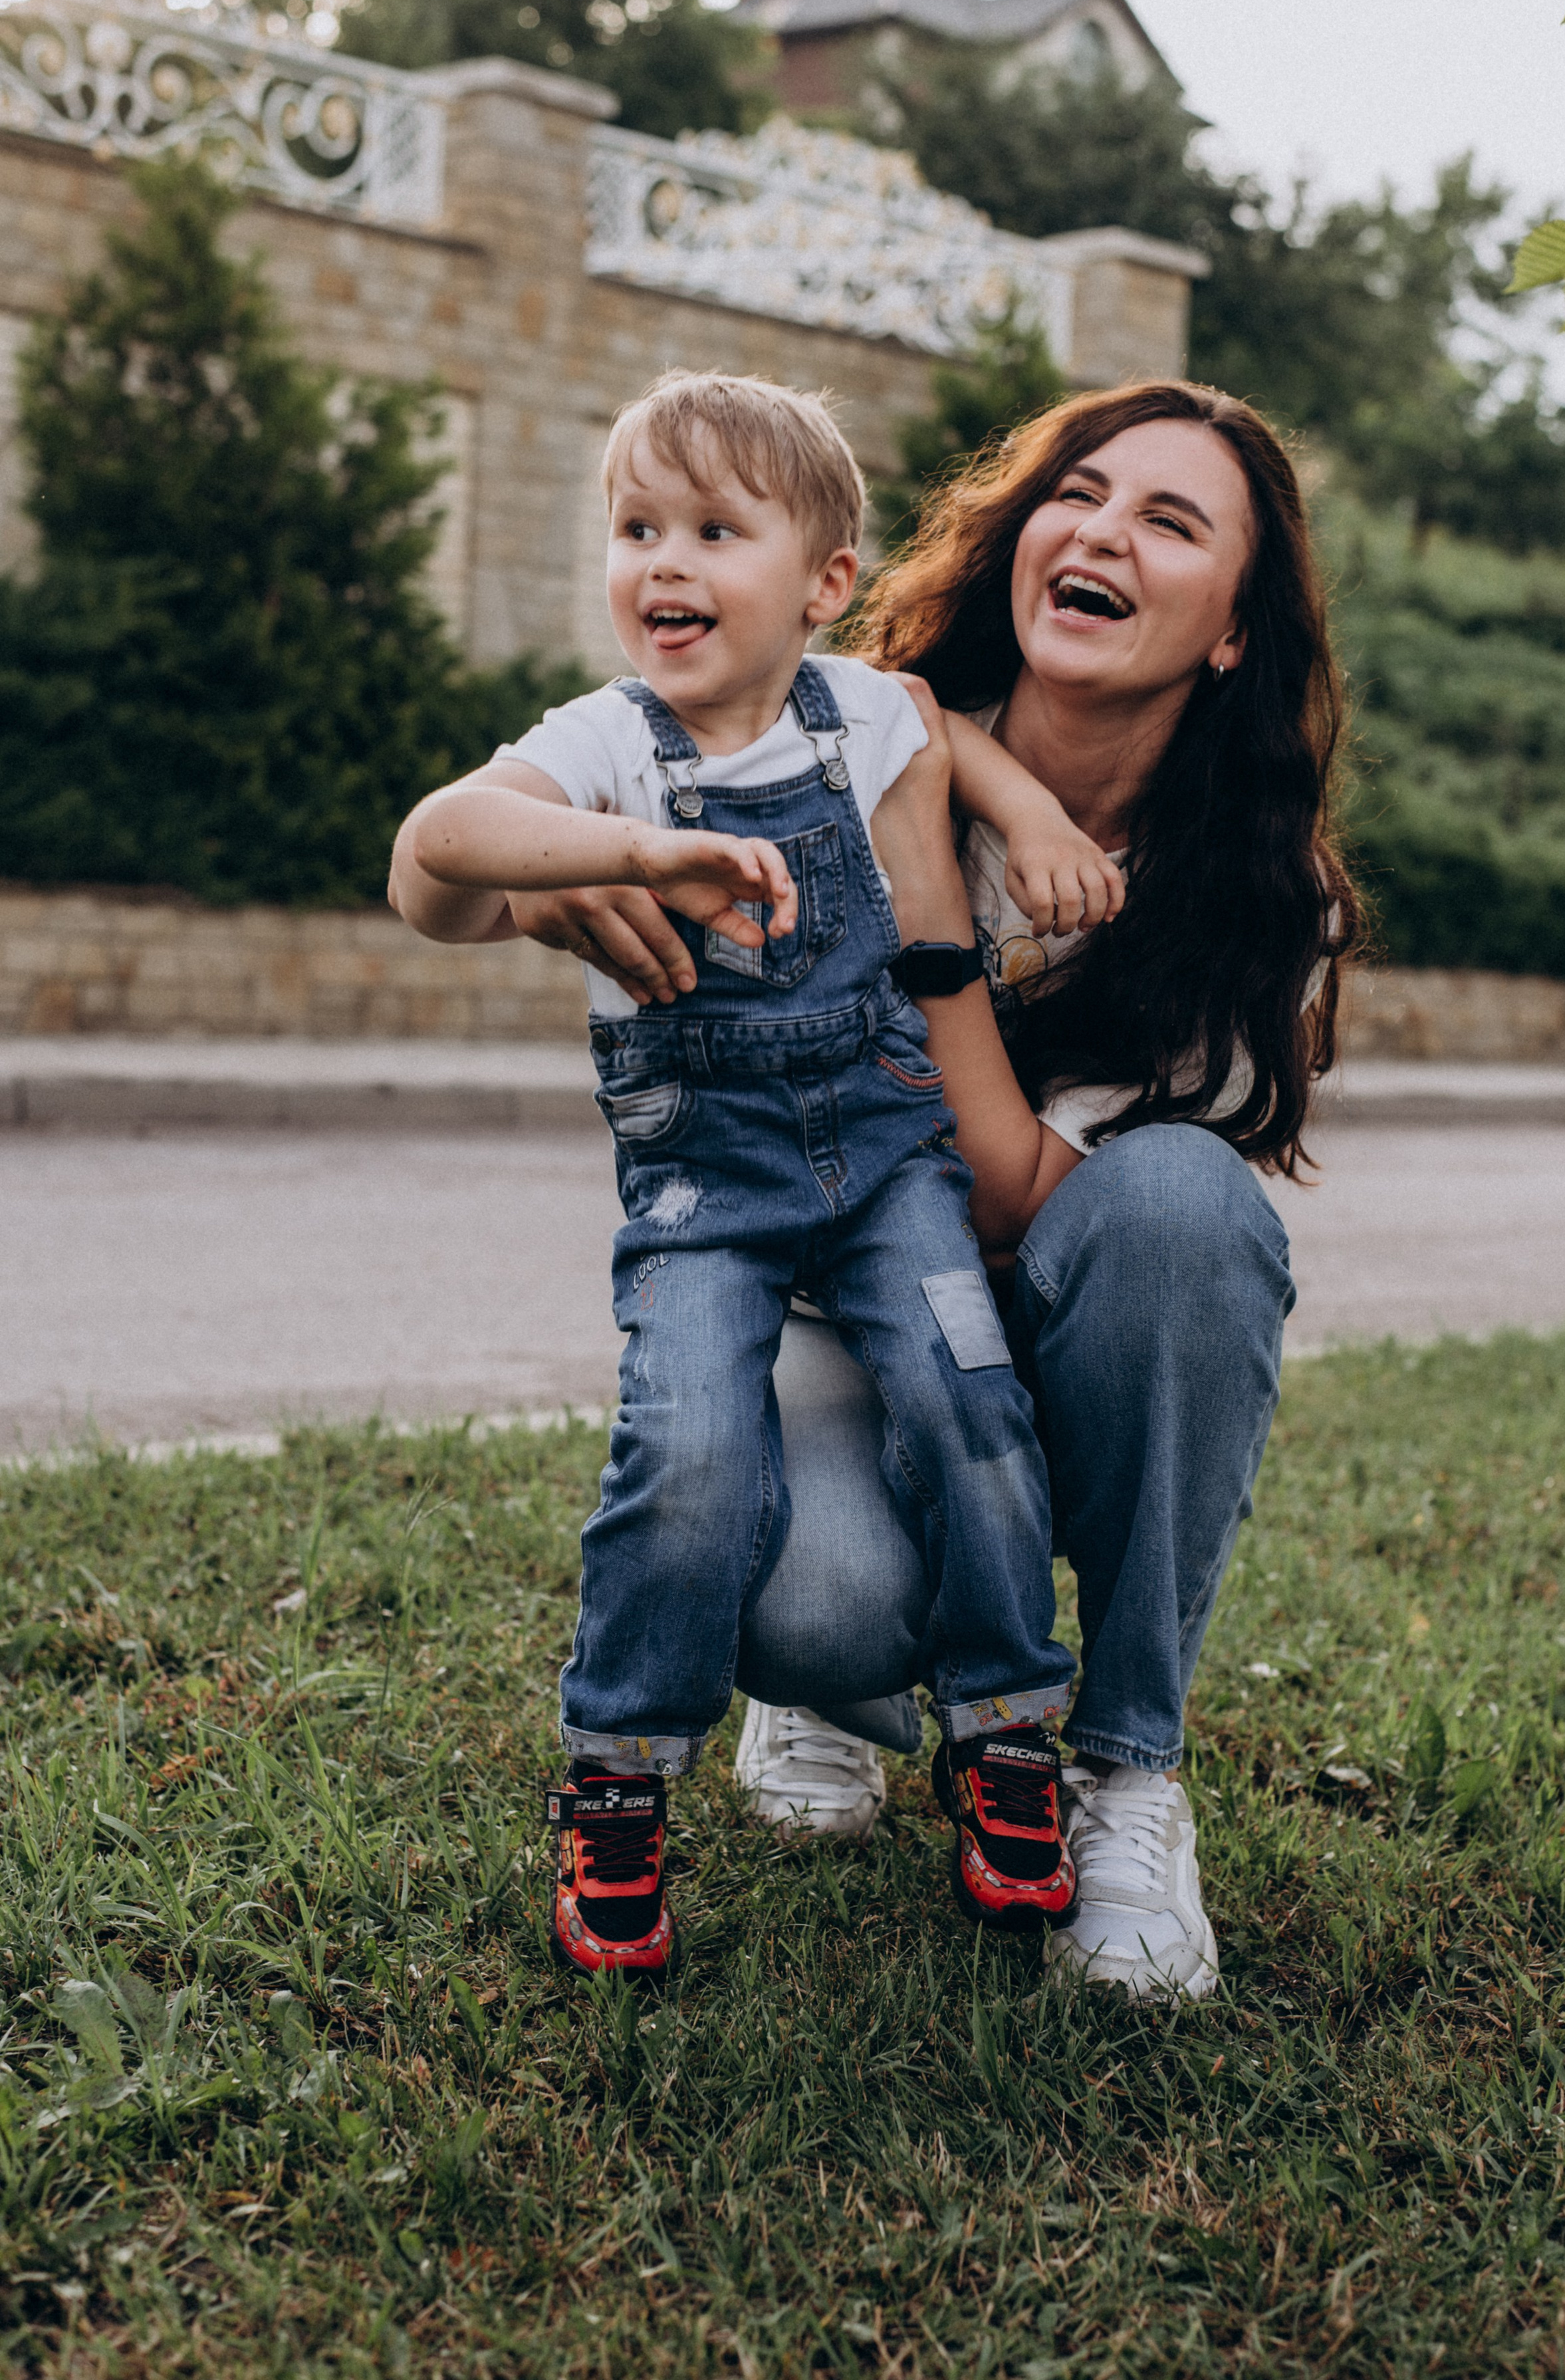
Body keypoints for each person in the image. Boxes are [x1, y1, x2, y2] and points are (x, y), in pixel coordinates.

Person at [534, 379, 1364, 2003]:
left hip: (1036, 1326)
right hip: (832, 1314)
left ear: (1228, 636)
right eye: (1081, 491)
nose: (1103, 531)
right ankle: (831, 1697)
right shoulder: (833, 732)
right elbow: (538, 835)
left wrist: (924, 923)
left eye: (1169, 522)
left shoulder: (1254, 894)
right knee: (818, 1596)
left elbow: (1018, 1199)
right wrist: (591, 879)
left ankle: (1123, 1772)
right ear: (1023, 534)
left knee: (1184, 1209)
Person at [389, 370, 1135, 1982]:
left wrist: (1028, 811)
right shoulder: (604, 749)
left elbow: (942, 733)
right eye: (636, 528)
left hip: (885, 1167)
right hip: (703, 1197)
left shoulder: (859, 711)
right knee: (689, 1453)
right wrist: (626, 854)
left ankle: (1007, 1735)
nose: (664, 562)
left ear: (822, 584)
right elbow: (443, 840)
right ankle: (619, 1780)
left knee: (966, 1394)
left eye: (713, 531)